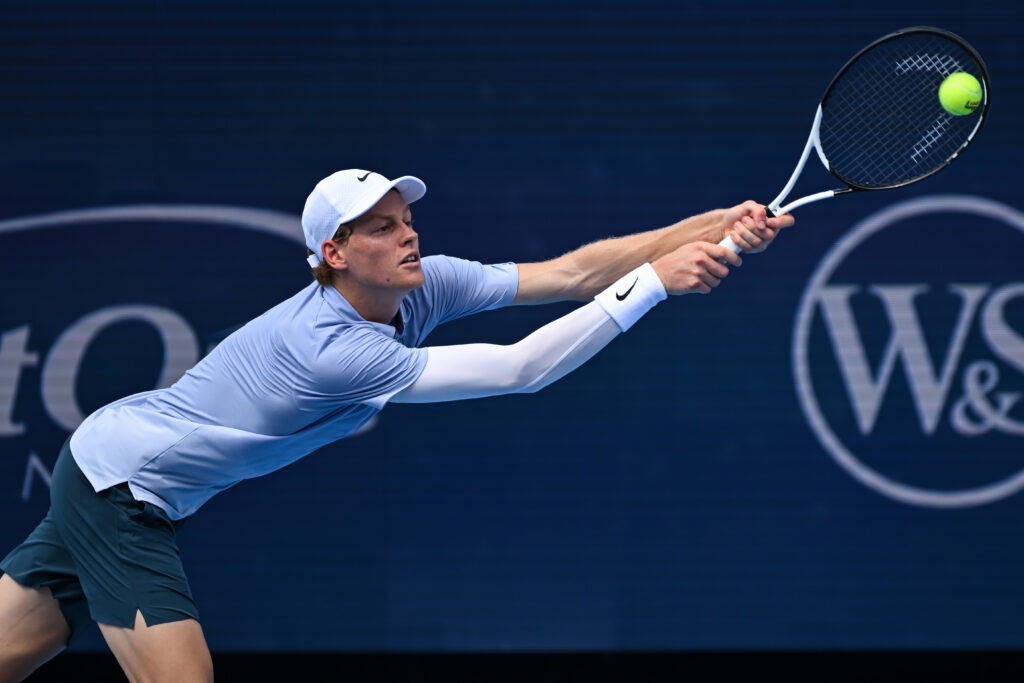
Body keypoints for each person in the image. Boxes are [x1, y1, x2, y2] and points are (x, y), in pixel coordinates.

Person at [0, 169, 792, 682]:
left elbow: (573, 273)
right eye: (379, 226)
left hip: (107, 457)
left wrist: (705, 226)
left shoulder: (425, 283)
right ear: (333, 254)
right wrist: (655, 284)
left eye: (404, 216)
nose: (407, 232)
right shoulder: (328, 349)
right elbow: (523, 369)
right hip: (124, 489)